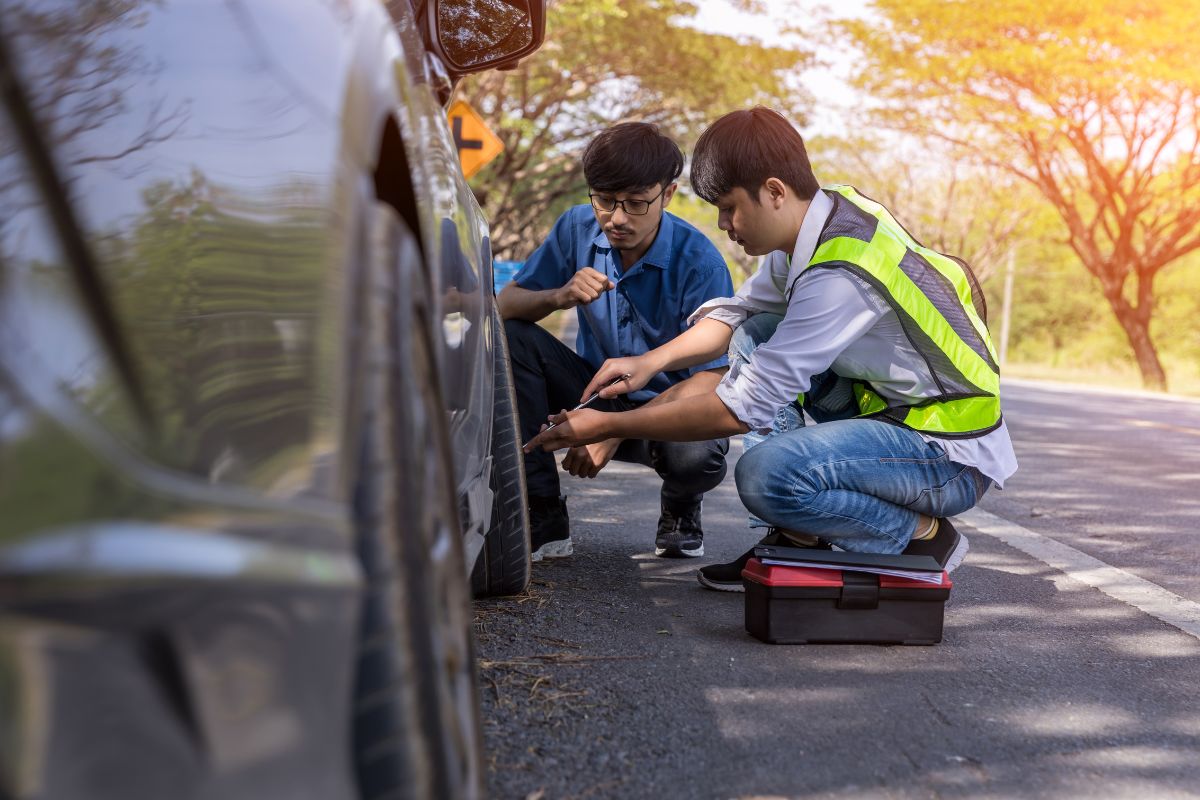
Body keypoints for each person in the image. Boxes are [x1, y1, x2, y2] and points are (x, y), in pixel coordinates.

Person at [524, 107, 1018, 591]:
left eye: (729, 207)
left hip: (946, 454)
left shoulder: (839, 273)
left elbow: (742, 409)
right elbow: (735, 314)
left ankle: (922, 535)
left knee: (765, 476)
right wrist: (649, 363)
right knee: (757, 328)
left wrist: (608, 424)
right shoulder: (822, 218)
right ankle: (794, 539)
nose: (723, 224)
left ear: (774, 192)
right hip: (894, 414)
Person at [498, 122, 735, 561]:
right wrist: (558, 295)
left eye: (636, 203)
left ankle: (682, 504)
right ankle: (542, 512)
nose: (617, 218)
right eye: (605, 200)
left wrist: (611, 430)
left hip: (670, 412)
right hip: (595, 393)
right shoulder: (576, 227)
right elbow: (505, 305)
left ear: (668, 194)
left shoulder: (699, 261)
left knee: (696, 457)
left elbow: (717, 378)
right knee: (513, 339)